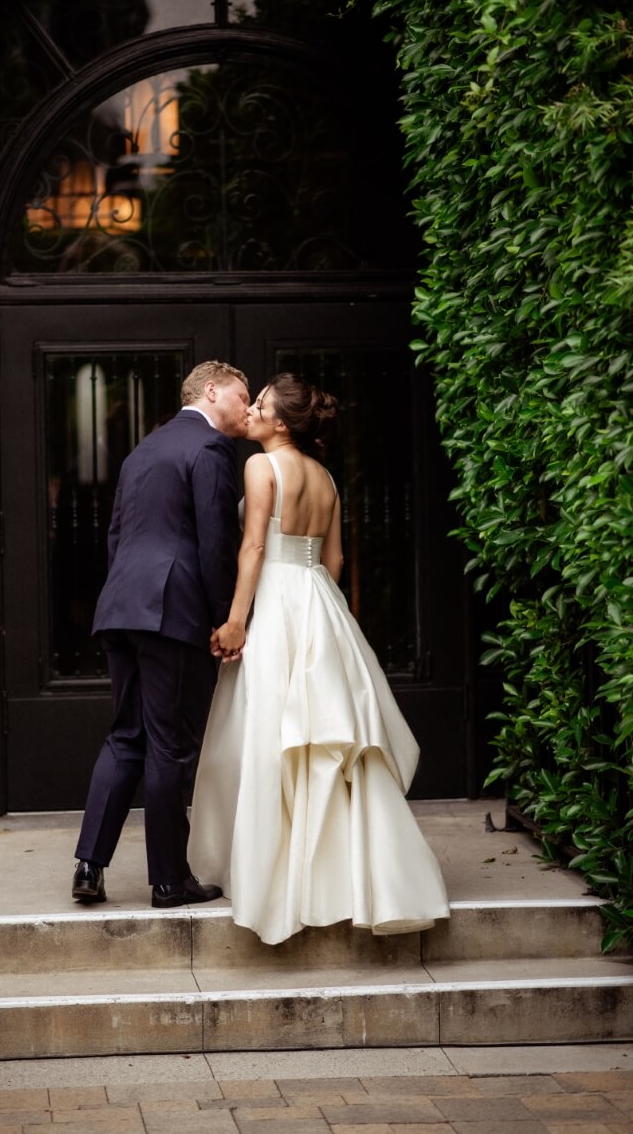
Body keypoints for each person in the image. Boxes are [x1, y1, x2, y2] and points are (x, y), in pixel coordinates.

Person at [187, 373, 450, 945]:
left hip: (277, 601)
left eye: (260, 404)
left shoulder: (262, 467)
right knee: (324, 737)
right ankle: (345, 877)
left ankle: (279, 878)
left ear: (281, 422)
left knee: (271, 737)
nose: (251, 410)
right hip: (318, 602)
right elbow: (334, 561)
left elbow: (254, 547)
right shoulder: (326, 478)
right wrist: (316, 612)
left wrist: (237, 620)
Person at [72, 360, 250, 908]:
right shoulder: (212, 449)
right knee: (169, 746)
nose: (247, 408)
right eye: (243, 396)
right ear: (212, 389)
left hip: (122, 605)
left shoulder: (142, 450)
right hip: (173, 613)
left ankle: (88, 866)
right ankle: (170, 881)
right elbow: (216, 542)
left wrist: (125, 597)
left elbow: (117, 534)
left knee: (126, 736)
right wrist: (225, 619)